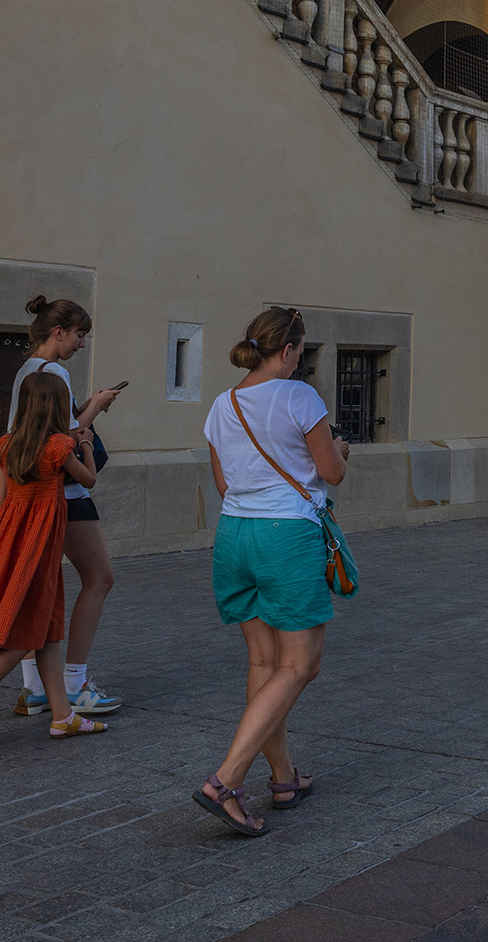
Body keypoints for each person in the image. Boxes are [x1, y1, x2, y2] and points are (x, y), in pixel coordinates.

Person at [197, 307, 350, 837]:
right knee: (300, 665)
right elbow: (331, 471)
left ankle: (283, 777)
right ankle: (226, 781)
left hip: (234, 534)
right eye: (300, 351)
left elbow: (224, 483)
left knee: (264, 662)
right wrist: (341, 454)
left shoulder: (223, 403)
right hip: (286, 536)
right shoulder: (299, 396)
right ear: (287, 351)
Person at [0, 372, 107, 755]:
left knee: (45, 629)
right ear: (59, 406)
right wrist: (87, 444)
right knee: (20, 637)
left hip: (10, 542)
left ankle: (63, 716)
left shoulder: (5, 445)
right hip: (41, 546)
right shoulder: (60, 446)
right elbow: (89, 481)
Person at [10, 297, 125, 719]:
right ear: (58, 332)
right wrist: (96, 408)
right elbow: (65, 437)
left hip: (32, 493)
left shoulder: (26, 369)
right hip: (66, 492)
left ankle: (35, 689)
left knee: (40, 586)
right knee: (99, 578)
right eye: (79, 335)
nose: (81, 344)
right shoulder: (54, 370)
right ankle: (75, 684)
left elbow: (31, 431)